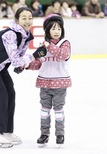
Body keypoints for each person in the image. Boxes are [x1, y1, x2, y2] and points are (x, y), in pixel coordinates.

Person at [0, 7, 47, 147]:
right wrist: (35, 55)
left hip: (0, 65)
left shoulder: (26, 36)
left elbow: (18, 59)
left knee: (10, 93)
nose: (27, 21)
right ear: (17, 20)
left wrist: (21, 66)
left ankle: (6, 131)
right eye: (24, 18)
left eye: (30, 18)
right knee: (0, 95)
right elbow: (16, 60)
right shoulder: (11, 34)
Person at [26, 14, 72, 146]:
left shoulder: (65, 43)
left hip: (60, 84)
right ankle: (44, 134)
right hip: (44, 83)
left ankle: (60, 134)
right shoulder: (43, 47)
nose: (56, 31)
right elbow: (38, 63)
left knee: (58, 110)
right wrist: (26, 65)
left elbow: (63, 55)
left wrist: (48, 45)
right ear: (47, 31)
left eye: (59, 29)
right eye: (53, 29)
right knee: (44, 110)